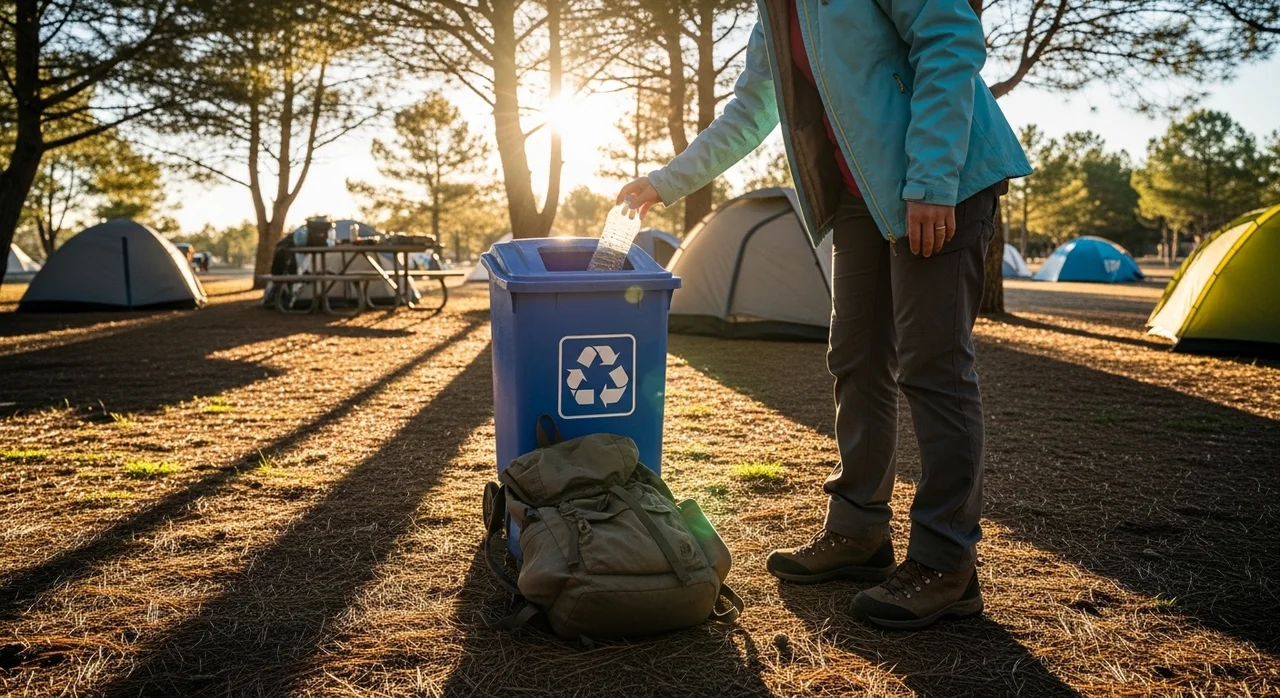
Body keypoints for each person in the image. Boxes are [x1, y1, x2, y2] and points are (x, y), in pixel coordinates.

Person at [617, 0, 1031, 631]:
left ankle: (947, 564)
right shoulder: (774, 10)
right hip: (861, 193)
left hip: (943, 179)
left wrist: (931, 179)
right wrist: (664, 181)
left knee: (933, 365)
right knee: (857, 357)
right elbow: (751, 111)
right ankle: (859, 531)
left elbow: (949, 39)